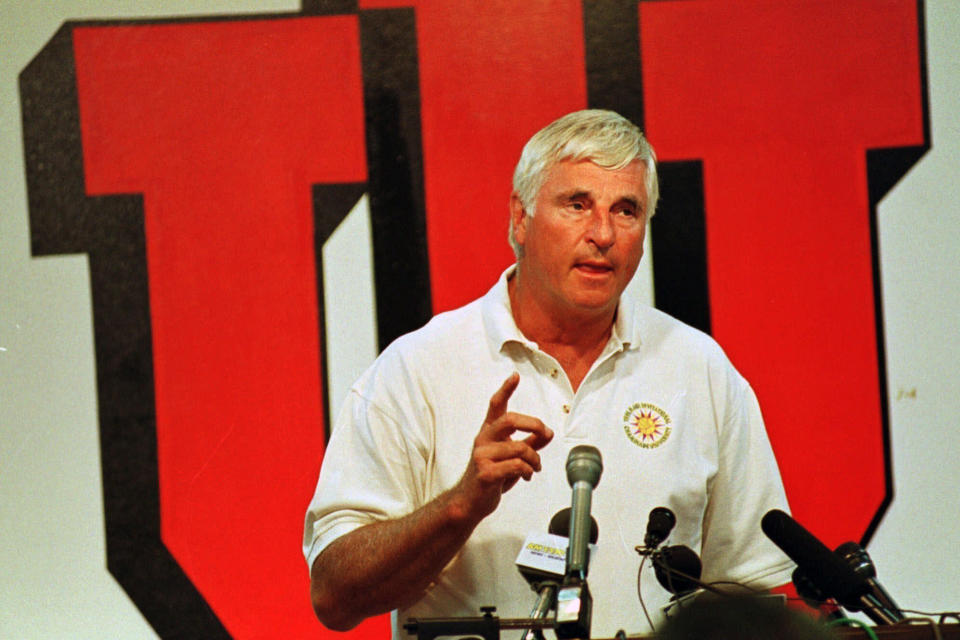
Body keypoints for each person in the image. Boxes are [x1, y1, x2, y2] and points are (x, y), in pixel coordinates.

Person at [303, 109, 794, 638]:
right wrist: (459, 507)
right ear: (520, 218)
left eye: (626, 210)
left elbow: (749, 591)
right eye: (576, 204)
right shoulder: (419, 368)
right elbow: (334, 593)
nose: (602, 233)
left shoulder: (699, 370)